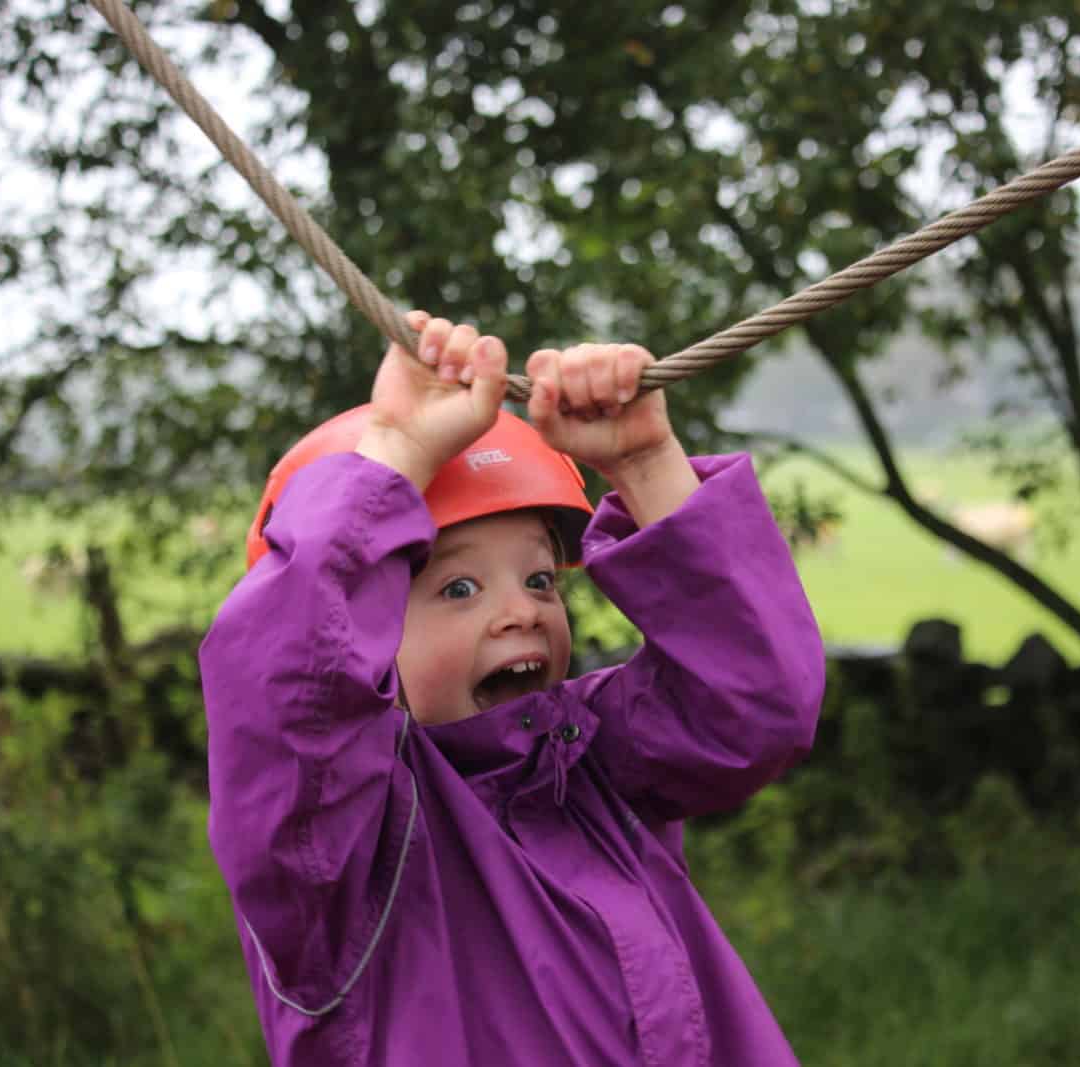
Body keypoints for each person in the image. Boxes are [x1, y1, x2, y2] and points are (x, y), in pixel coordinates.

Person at [200, 310, 825, 1066]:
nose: (520, 610)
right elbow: (291, 700)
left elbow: (757, 702)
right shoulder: (336, 859)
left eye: (537, 578)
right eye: (458, 586)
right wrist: (396, 452)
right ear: (358, 621)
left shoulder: (596, 759)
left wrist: (648, 461)